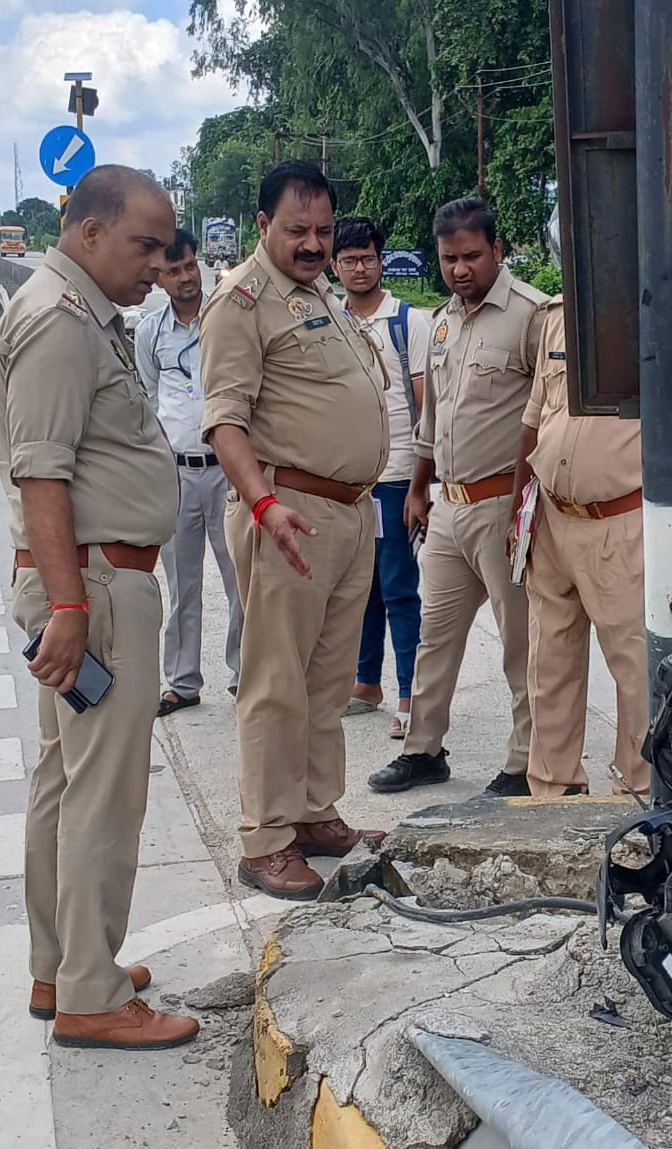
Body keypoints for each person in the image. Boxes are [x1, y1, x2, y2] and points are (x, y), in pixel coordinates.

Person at [0, 164, 199, 1050]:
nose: (159, 262)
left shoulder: (80, 314)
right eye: (145, 244)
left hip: (90, 582)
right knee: (103, 793)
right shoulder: (59, 325)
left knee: (63, 781)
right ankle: (93, 992)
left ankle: (62, 964)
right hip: (98, 587)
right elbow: (43, 471)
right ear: (89, 233)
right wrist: (71, 606)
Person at [200, 160, 389, 901]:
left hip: (347, 511)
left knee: (327, 680)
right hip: (288, 513)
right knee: (276, 684)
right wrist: (262, 506)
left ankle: (314, 813)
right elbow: (224, 420)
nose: (312, 244)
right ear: (261, 226)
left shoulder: (319, 295)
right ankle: (265, 839)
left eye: (321, 230)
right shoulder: (241, 302)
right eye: (296, 231)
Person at [515, 262, 672, 799]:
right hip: (553, 518)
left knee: (638, 675)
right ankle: (552, 791)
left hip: (623, 523)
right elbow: (534, 419)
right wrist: (519, 510)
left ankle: (641, 793)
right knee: (549, 667)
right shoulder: (557, 316)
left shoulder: (664, 318)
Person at [368, 198, 548, 797]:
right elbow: (432, 416)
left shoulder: (532, 316)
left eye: (472, 255)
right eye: (449, 258)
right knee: (433, 636)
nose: (461, 268)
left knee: (520, 641)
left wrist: (522, 511)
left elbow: (541, 418)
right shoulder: (441, 322)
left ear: (497, 249)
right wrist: (418, 487)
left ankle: (525, 762)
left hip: (505, 506)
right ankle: (423, 749)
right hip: (447, 505)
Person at [134, 227, 243, 718]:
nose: (185, 278)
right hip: (177, 473)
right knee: (182, 584)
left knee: (241, 577)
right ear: (160, 278)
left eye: (189, 267)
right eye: (173, 271)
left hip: (229, 470)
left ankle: (245, 674)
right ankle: (181, 682)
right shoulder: (150, 332)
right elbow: (150, 398)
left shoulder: (228, 319)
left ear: (199, 263)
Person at [331, 216, 430, 740]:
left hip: (394, 480)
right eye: (348, 260)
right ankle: (365, 683)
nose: (359, 268)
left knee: (398, 589)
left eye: (368, 258)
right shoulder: (330, 318)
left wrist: (420, 485)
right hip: (351, 482)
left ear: (381, 259)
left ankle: (411, 695)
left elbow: (424, 408)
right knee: (360, 587)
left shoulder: (406, 322)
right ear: (335, 265)